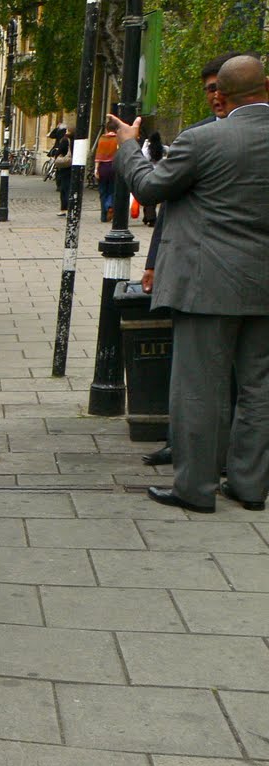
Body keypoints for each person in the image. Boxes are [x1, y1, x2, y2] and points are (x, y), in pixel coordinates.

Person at [110, 54, 269, 513]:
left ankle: (195, 488)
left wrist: (128, 145)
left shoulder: (202, 140)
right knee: (259, 389)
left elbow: (149, 188)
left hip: (208, 285)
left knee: (200, 388)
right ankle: (250, 486)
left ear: (222, 93)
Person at [138, 51, 244, 467]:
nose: (215, 97)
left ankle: (229, 460)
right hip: (201, 272)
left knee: (237, 376)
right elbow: (169, 205)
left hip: (236, 274)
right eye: (209, 90)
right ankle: (185, 445)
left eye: (221, 88)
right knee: (195, 373)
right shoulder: (196, 136)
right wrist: (152, 262)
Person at [93, 124, 119, 221]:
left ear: (106, 129)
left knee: (102, 191)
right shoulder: (118, 139)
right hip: (114, 167)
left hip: (102, 168)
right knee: (112, 190)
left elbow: (98, 155)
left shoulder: (102, 139)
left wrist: (96, 169)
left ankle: (103, 216)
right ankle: (110, 205)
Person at [50, 126, 74, 215]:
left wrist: (56, 157)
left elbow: (59, 151)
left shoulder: (65, 140)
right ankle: (71, 207)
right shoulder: (77, 140)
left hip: (66, 166)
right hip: (74, 166)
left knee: (64, 188)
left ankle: (64, 208)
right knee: (71, 187)